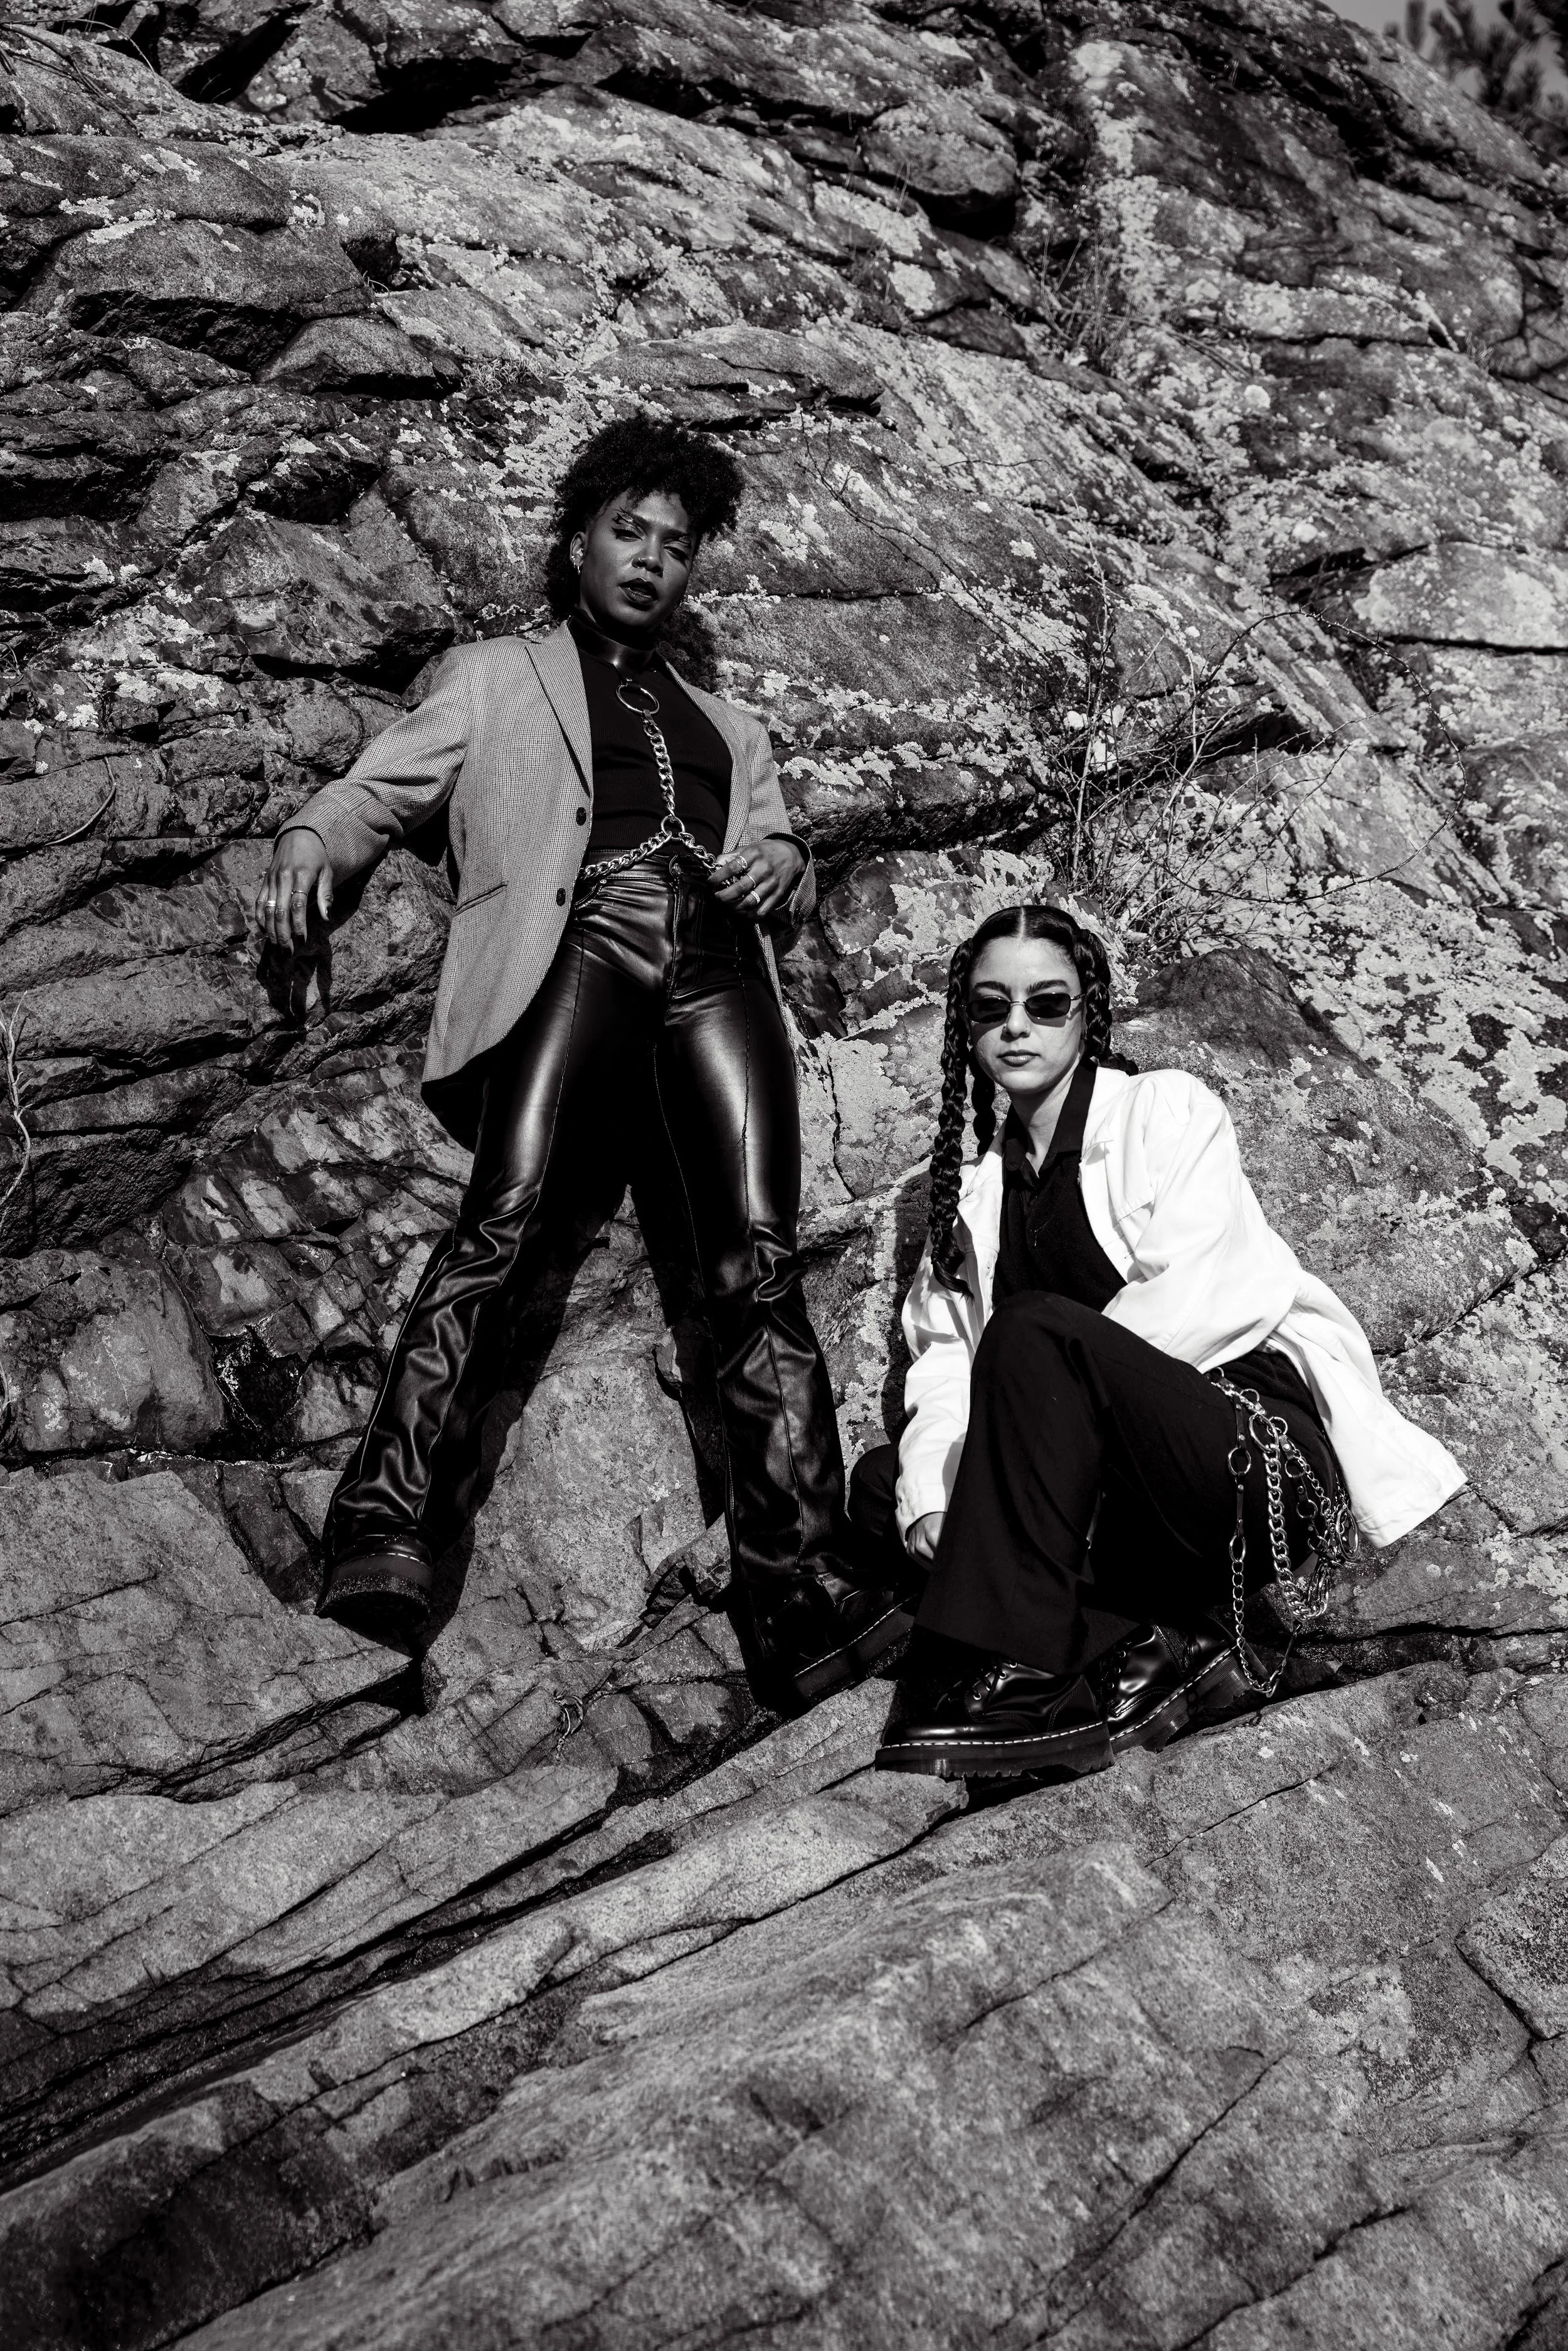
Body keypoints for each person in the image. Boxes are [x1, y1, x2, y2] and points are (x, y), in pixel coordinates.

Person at [255, 412, 911, 1701]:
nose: (652, 560)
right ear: (578, 542)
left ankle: (803, 1591)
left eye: (676, 545)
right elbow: (377, 792)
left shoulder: (733, 728)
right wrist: (307, 846)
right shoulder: (496, 677)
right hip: (580, 942)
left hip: (717, 964)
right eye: (630, 533)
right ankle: (383, 1533)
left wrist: (782, 861)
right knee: (501, 1219)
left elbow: (781, 860)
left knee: (754, 1263)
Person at [849, 901, 1465, 1780]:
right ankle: (1147, 1637)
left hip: (1240, 1451)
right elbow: (944, 1363)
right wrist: (932, 1497)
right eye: (991, 1007)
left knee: (1032, 1336)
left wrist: (1047, 1453)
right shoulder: (973, 1200)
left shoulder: (1165, 1110)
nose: (1016, 1025)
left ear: (1087, 1009)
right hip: (1115, 1500)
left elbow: (1202, 1299)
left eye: (1047, 1002)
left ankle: (1029, 1682)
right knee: (886, 1485)